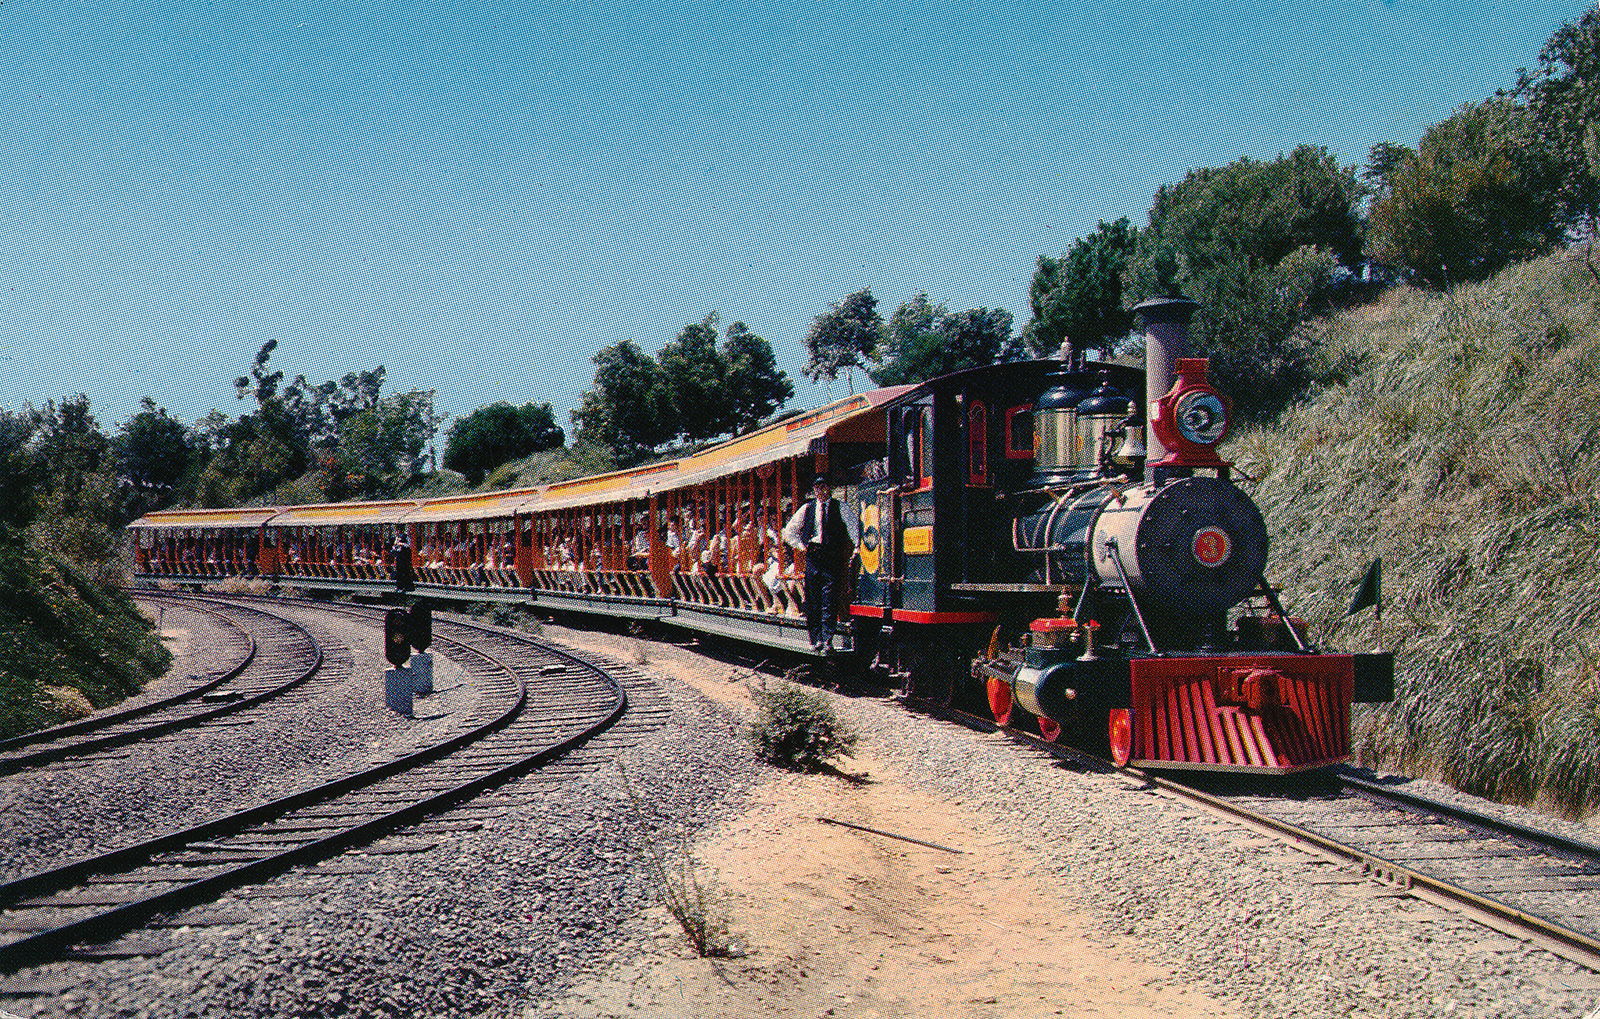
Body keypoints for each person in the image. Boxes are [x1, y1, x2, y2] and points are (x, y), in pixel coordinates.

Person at [783, 474, 857, 654]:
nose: (820, 490)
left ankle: (828, 639)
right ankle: (815, 638)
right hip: (814, 555)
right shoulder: (807, 508)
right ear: (814, 489)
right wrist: (801, 546)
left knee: (829, 598)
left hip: (832, 556)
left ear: (829, 487)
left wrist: (856, 548)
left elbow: (854, 527)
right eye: (817, 487)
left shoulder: (841, 507)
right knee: (813, 598)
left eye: (823, 486)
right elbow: (789, 531)